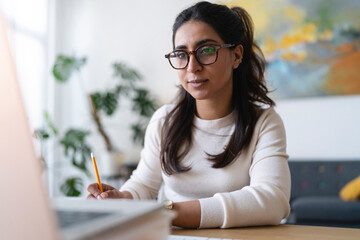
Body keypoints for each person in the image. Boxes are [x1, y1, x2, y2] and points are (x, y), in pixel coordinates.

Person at [87, 1, 290, 229]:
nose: (192, 67)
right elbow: (143, 186)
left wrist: (166, 212)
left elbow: (273, 201)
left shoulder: (264, 123)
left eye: (206, 50)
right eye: (181, 54)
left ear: (236, 56)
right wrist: (121, 200)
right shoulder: (164, 121)